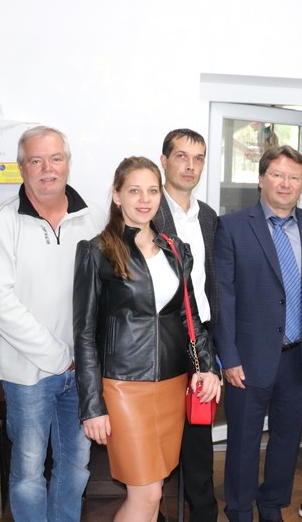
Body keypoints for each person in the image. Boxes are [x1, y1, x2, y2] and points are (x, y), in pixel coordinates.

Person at [74, 156, 221, 522]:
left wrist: (207, 367)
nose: (145, 199)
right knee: (147, 493)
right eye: (135, 191)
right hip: (124, 387)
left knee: (154, 494)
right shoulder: (97, 251)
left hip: (172, 384)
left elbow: (190, 317)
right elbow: (85, 334)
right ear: (117, 195)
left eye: (153, 191)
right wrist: (92, 405)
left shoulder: (176, 250)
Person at [213, 145, 302, 522]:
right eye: (277, 175)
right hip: (248, 359)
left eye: (293, 177)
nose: (285, 183)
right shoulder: (233, 227)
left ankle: (272, 503)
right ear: (261, 180)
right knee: (243, 441)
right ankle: (239, 508)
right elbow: (223, 297)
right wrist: (228, 357)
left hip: (300, 357)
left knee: (287, 439)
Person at [0, 126, 105, 522]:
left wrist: (84, 359)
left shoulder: (95, 218)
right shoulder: (0, 223)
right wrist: (58, 356)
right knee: (30, 471)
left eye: (55, 158)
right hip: (27, 373)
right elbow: (0, 306)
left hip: (82, 372)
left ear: (67, 163)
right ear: (22, 168)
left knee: (76, 465)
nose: (47, 168)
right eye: (36, 160)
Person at [154, 129, 219, 522]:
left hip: (201, 339)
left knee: (198, 435)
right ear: (164, 161)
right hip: (161, 341)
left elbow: (212, 284)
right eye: (181, 156)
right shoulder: (147, 210)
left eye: (198, 158)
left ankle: (204, 513)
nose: (190, 166)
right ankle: (153, 512)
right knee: (159, 436)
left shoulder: (208, 217)